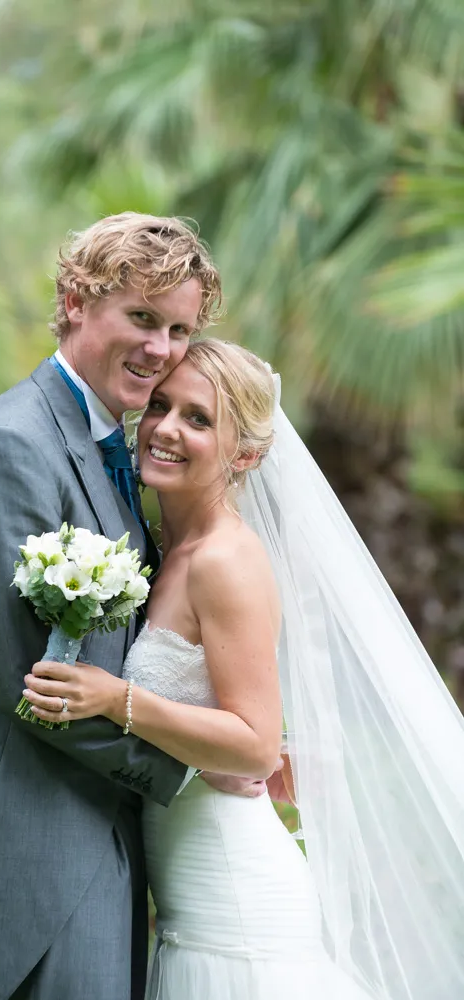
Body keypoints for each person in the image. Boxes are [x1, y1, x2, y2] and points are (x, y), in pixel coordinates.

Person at [23, 339, 464, 1000]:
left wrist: (117, 700)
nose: (166, 429)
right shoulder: (170, 548)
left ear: (247, 454)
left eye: (198, 419)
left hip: (233, 915)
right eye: (162, 406)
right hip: (192, 909)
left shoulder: (224, 560)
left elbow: (251, 745)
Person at [0, 212, 230, 1000]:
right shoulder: (11, 448)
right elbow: (41, 688)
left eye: (179, 328)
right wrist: (199, 765)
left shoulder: (113, 450)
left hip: (97, 848)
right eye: (142, 317)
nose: (160, 349)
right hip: (21, 868)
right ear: (76, 300)